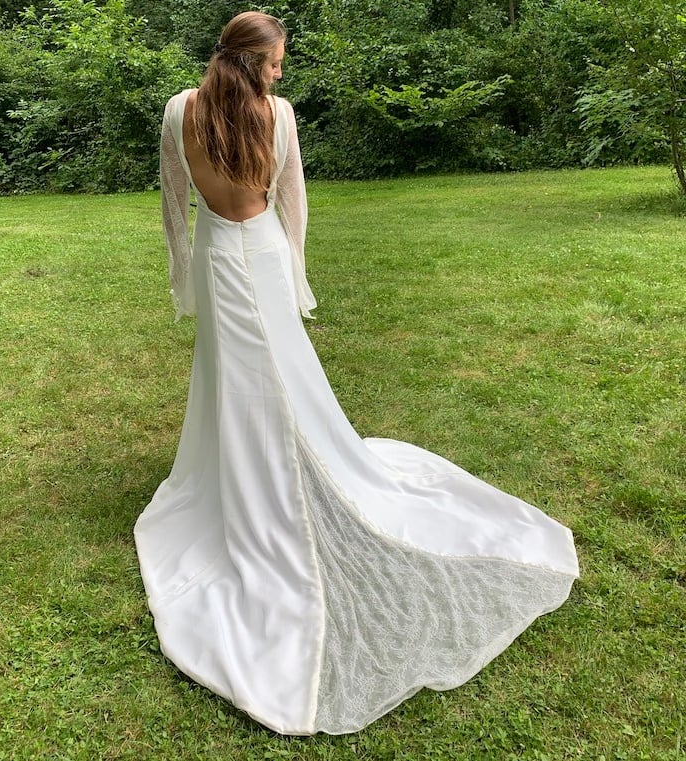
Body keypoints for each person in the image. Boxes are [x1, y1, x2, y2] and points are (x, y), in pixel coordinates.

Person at [134, 11, 579, 736]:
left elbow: (173, 203)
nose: (282, 71)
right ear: (254, 63)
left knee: (250, 382)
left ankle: (250, 472)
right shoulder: (275, 115)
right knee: (266, 380)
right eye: (277, 60)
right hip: (261, 260)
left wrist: (185, 273)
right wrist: (296, 270)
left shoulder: (178, 109)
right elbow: (291, 200)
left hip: (221, 266)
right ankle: (270, 480)